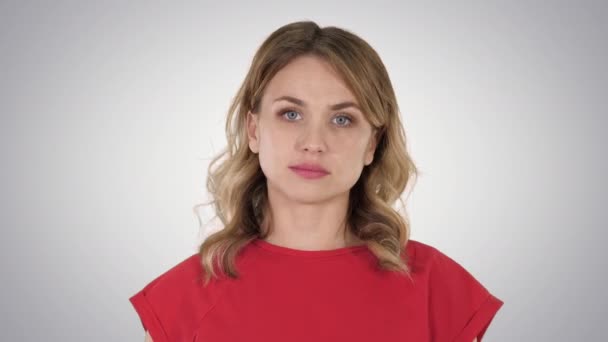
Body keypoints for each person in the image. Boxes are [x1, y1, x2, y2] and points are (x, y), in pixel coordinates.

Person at [129, 20, 504, 342]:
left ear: (372, 142)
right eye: (291, 114)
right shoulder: (181, 300)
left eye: (342, 119)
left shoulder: (437, 292)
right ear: (254, 129)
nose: (313, 143)